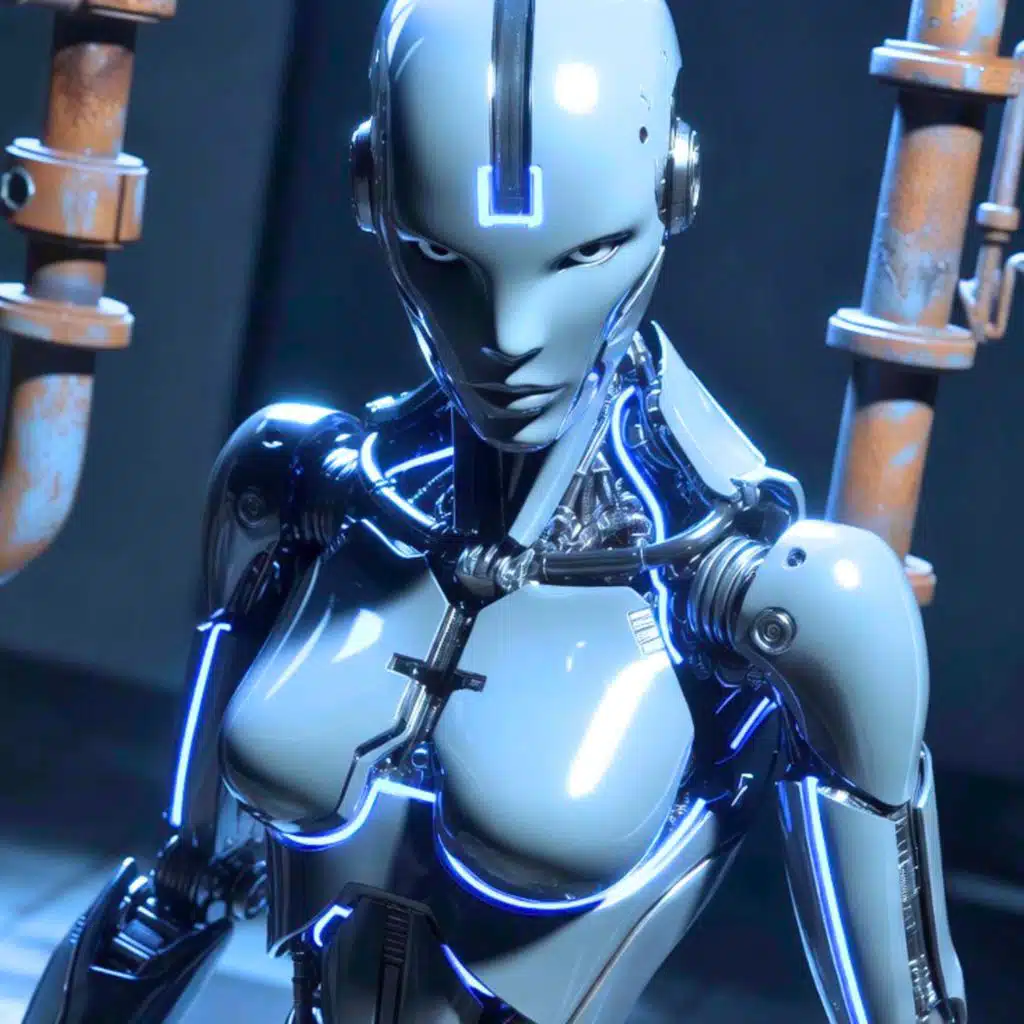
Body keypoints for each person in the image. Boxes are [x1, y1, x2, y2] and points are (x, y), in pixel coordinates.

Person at [24, 1, 966, 1021]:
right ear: (371, 190)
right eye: (443, 256)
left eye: (582, 254)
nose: (510, 338)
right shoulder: (299, 483)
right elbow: (179, 888)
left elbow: (903, 1003)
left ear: (674, 188)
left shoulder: (788, 598)